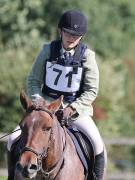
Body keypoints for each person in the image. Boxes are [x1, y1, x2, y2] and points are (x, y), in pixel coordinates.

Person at [7, 10, 107, 179]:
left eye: (77, 35)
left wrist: (73, 108)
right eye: (68, 33)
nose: (72, 38)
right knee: (12, 139)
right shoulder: (47, 51)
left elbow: (92, 90)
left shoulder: (88, 57)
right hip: (45, 108)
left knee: (97, 145)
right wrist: (38, 99)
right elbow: (33, 80)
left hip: (75, 111)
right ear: (60, 31)